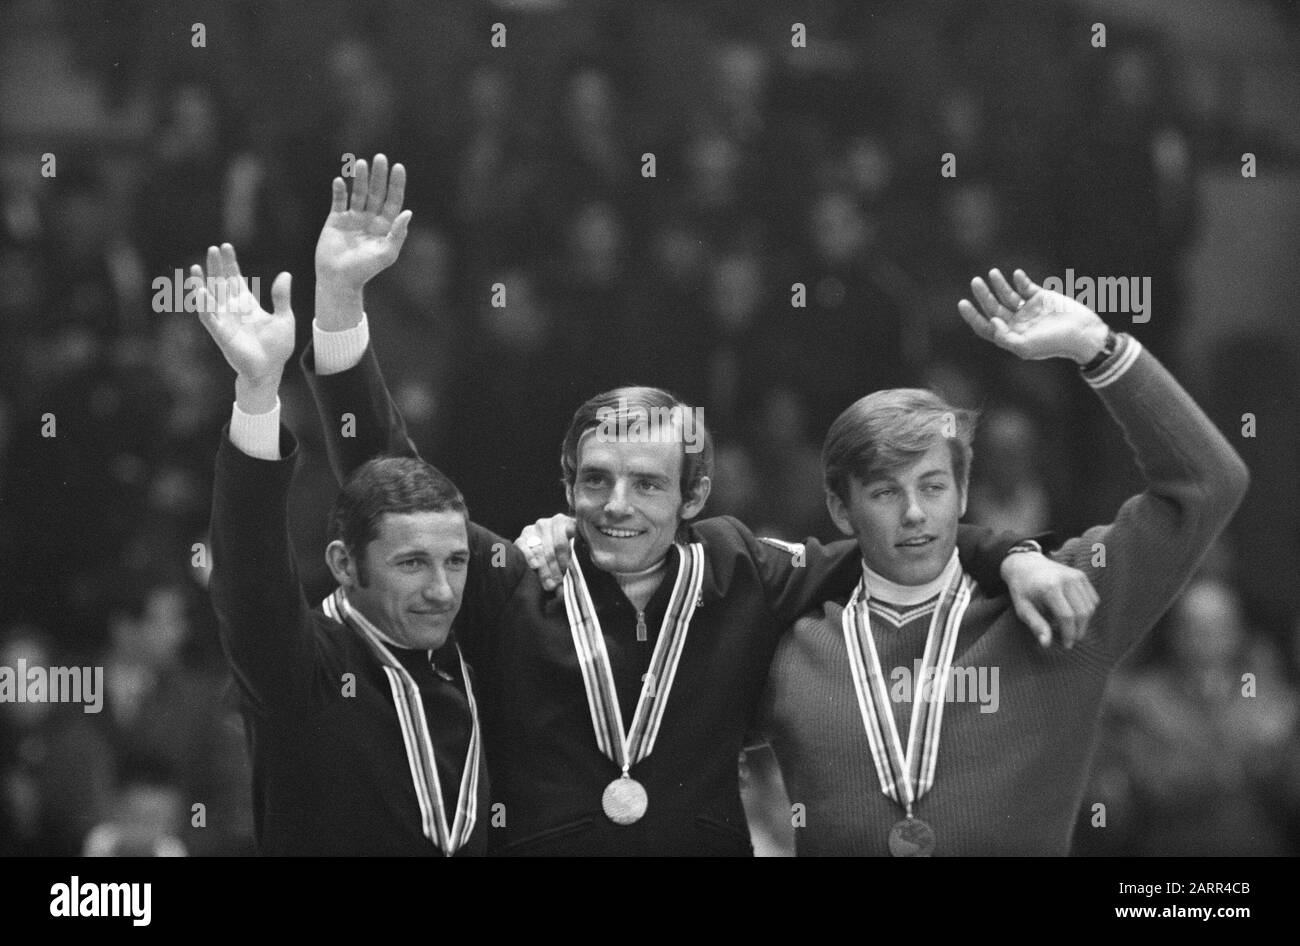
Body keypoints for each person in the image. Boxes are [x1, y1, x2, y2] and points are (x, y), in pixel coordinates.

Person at [306, 157, 1095, 855]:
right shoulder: (517, 575)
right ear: (566, 483)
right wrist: (341, 299)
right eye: (595, 480)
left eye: (648, 484)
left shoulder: (745, 571)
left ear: (695, 495)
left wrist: (1013, 554)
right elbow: (388, 484)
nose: (617, 505)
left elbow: (898, 539)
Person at [753, 268, 1248, 855]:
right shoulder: (788, 641)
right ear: (840, 507)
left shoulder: (1057, 604)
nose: (914, 513)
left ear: (963, 493)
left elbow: (1208, 482)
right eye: (886, 492)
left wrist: (1099, 349)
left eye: (933, 486)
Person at [199, 244, 488, 856]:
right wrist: (257, 393)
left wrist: (339, 303)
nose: (441, 589)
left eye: (455, 561)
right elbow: (250, 577)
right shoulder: (304, 666)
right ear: (342, 564)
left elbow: (384, 461)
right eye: (411, 563)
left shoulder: (474, 652)